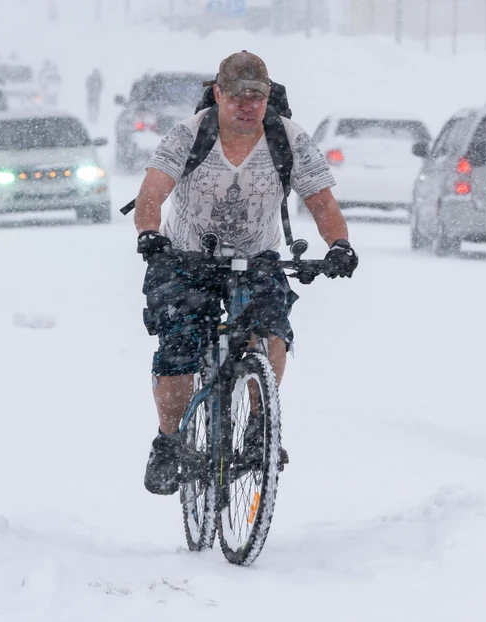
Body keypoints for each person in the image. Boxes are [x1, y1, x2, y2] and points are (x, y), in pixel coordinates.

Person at [134, 51, 358, 495]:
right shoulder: (189, 135)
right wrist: (149, 235)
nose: (246, 106)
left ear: (267, 96)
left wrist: (340, 245)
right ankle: (169, 440)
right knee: (179, 344)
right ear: (218, 94)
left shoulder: (288, 138)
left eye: (256, 96)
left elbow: (322, 203)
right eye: (236, 96)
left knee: (272, 326)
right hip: (186, 257)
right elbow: (152, 194)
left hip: (256, 257)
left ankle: (260, 424)